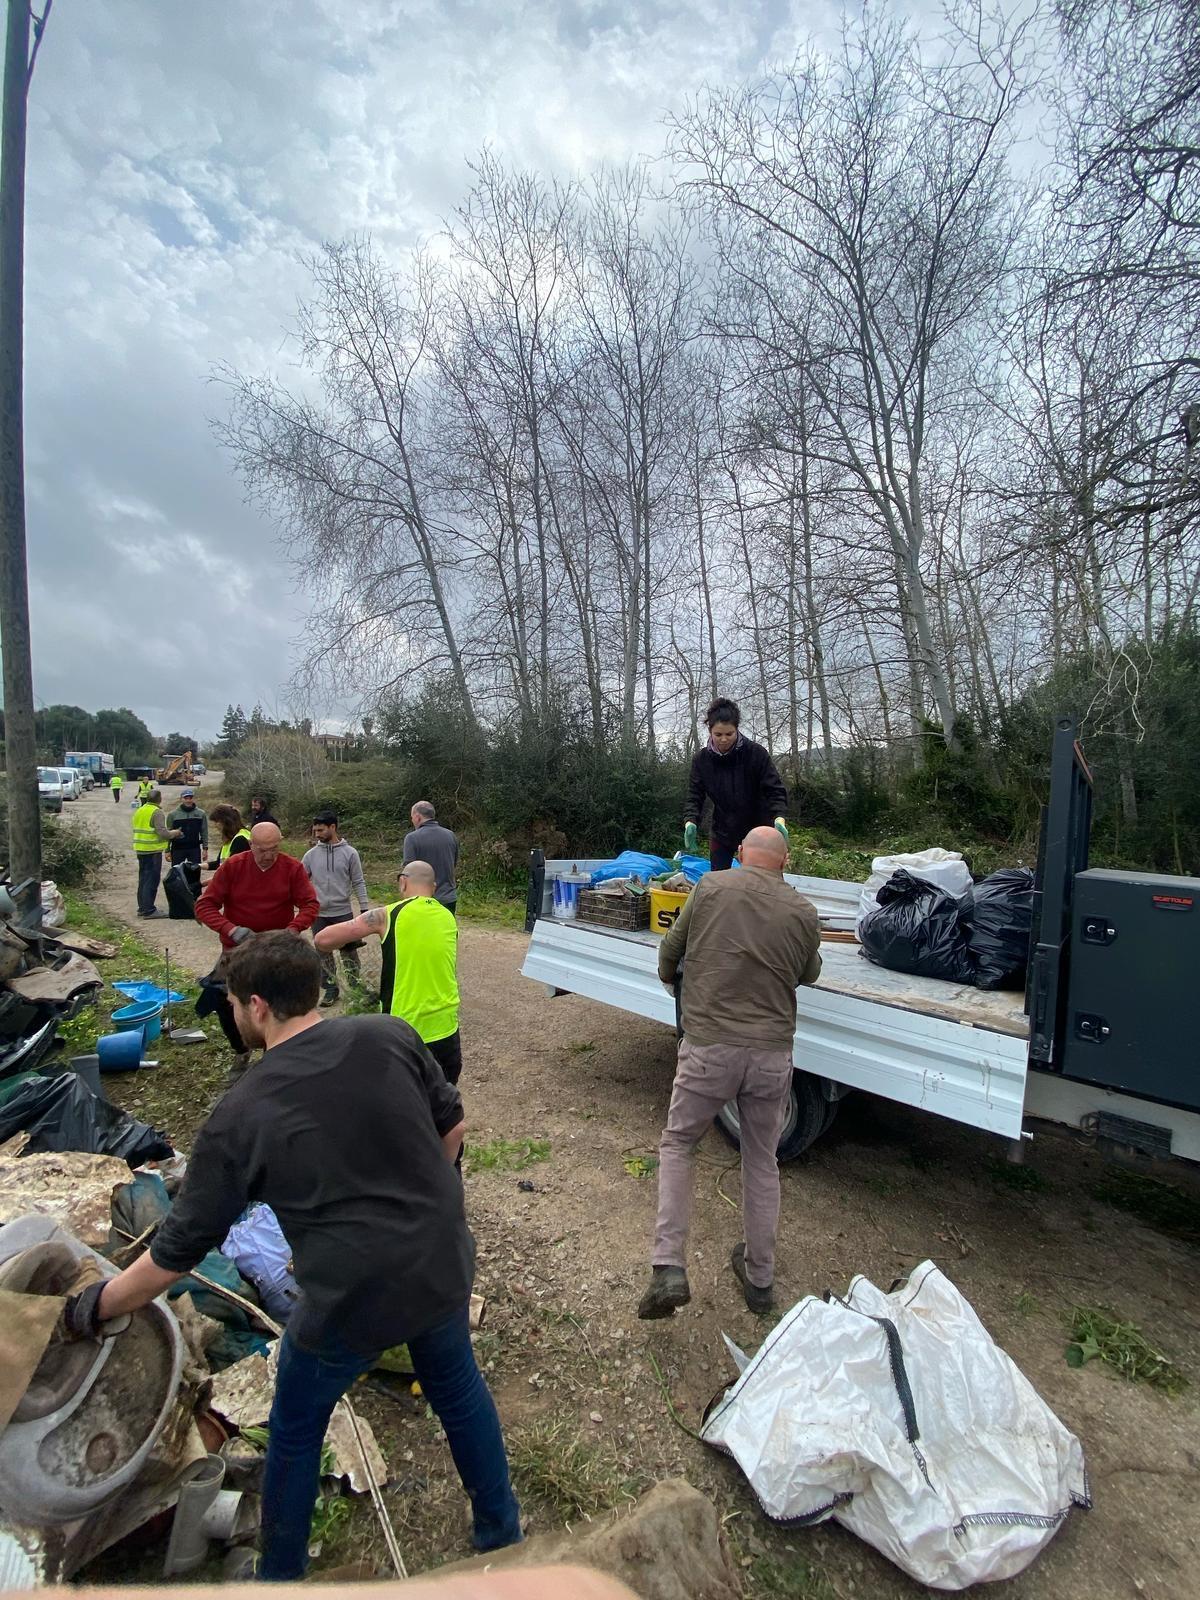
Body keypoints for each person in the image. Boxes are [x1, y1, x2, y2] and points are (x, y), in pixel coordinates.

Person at [61, 932, 522, 1581]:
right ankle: (501, 1532)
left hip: (349, 1298)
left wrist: (95, 1305)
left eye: (233, 1007)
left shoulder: (241, 1112)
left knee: (298, 1425)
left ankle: (278, 1576)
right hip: (443, 1257)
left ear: (256, 1006)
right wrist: (427, 1207)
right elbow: (454, 1128)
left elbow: (175, 1253)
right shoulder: (388, 1035)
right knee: (457, 1387)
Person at [638, 826, 822, 1320]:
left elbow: (670, 950)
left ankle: (669, 1267)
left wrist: (668, 978)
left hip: (708, 1049)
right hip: (769, 1057)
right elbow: (810, 973)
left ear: (740, 855)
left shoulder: (712, 887)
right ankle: (760, 1281)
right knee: (762, 1161)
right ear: (785, 861)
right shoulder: (803, 911)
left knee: (679, 1144)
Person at [315, 860, 462, 1085]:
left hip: (404, 1032)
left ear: (403, 883)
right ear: (434, 888)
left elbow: (323, 939)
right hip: (447, 1030)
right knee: (443, 1100)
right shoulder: (447, 917)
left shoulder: (388, 914)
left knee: (404, 1104)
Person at [195, 823, 320, 1062]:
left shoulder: (292, 868)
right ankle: (241, 1052)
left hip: (276, 952)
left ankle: (272, 1055)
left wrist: (291, 930)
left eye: (274, 848)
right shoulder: (233, 866)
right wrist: (231, 930)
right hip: (237, 949)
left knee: (276, 1005)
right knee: (224, 1000)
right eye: (262, 850)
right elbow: (204, 905)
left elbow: (310, 904)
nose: (268, 855)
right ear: (251, 844)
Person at [684, 697, 789, 871]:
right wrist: (690, 820)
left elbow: (775, 790)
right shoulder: (702, 760)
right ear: (710, 731)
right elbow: (695, 795)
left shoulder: (756, 754)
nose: (723, 739)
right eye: (718, 734)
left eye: (729, 734)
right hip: (722, 831)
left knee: (759, 881)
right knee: (720, 881)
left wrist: (779, 816)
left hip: (757, 831)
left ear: (737, 730)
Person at [303, 810, 370, 1008]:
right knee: (323, 953)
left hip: (343, 913)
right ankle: (331, 989)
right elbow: (300, 881)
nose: (317, 834)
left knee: (349, 952)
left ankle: (355, 987)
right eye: (315, 830)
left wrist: (365, 908)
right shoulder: (310, 855)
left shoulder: (350, 853)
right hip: (319, 914)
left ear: (333, 827)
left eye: (321, 830)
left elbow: (358, 881)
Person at [131, 787, 183, 919]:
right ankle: (149, 910)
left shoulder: (140, 810)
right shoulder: (157, 812)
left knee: (143, 879)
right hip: (152, 850)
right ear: (160, 799)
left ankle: (143, 907)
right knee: (152, 879)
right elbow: (163, 833)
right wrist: (176, 833)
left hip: (140, 848)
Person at [403, 800, 460, 915]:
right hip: (448, 898)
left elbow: (408, 871)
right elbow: (453, 863)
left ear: (418, 817)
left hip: (422, 900)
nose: (412, 820)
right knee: (446, 931)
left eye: (412, 817)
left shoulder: (412, 838)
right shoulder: (451, 836)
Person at [167, 788, 210, 873]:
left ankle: (194, 887)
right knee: (177, 874)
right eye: (185, 798)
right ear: (181, 799)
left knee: (195, 874)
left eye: (190, 798)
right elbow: (168, 834)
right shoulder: (172, 815)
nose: (188, 800)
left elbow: (204, 831)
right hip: (177, 849)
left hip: (194, 848)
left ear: (193, 799)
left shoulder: (201, 814)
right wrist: (167, 850)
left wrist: (205, 849)